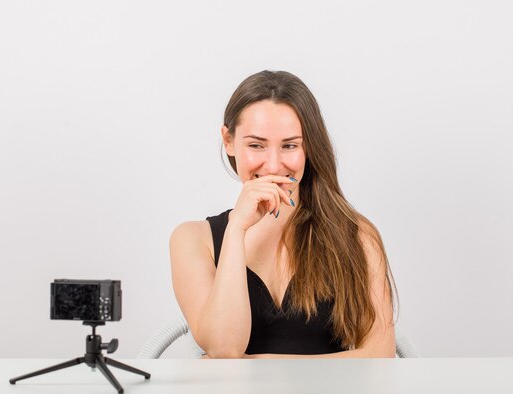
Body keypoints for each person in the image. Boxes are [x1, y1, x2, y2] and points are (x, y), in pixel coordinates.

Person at [170, 70, 398, 359]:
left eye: (290, 145)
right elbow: (225, 349)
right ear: (228, 140)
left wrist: (259, 363)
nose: (274, 165)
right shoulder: (192, 240)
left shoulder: (357, 235)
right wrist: (237, 228)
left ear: (309, 148)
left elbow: (379, 355)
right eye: (256, 145)